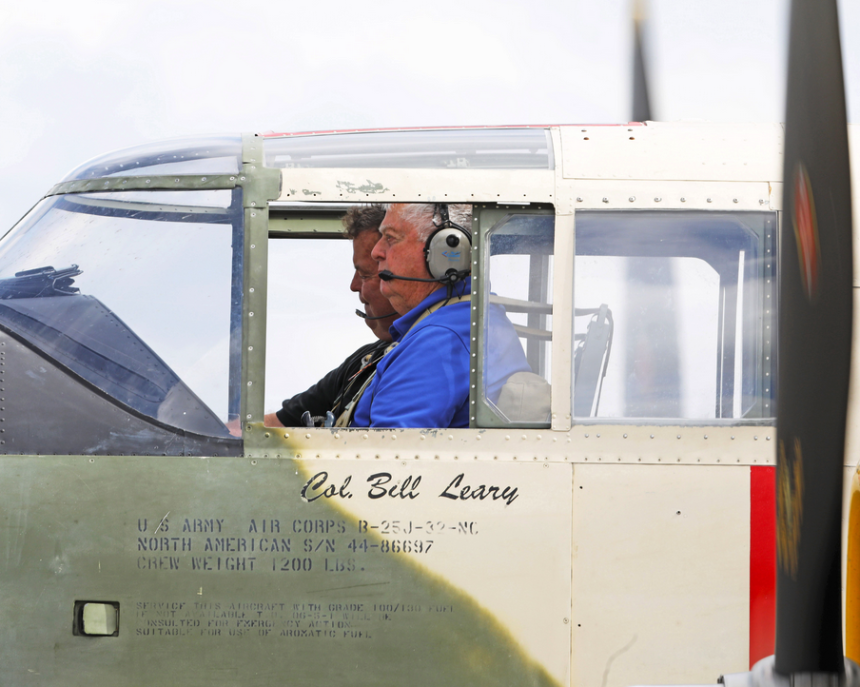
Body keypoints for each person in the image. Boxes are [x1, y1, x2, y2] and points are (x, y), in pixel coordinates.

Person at [350, 203, 531, 428]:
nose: (376, 251)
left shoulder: (439, 340)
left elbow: (390, 455)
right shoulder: (471, 318)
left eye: (390, 237)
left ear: (446, 253)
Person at [263, 205, 397, 428]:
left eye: (364, 275)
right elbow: (277, 424)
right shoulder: (364, 362)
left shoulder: (432, 350)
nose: (353, 286)